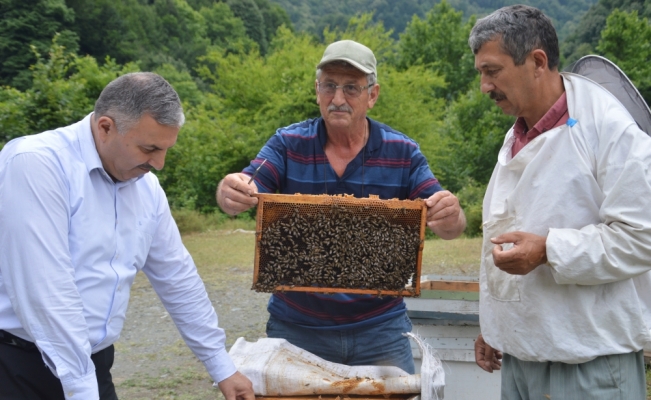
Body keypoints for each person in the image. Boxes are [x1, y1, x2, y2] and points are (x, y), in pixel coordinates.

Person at [216, 39, 466, 373]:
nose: (337, 99)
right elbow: (243, 188)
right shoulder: (288, 143)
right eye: (329, 86)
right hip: (297, 327)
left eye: (351, 88)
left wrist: (450, 213)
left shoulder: (403, 152)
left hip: (382, 328)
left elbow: (450, 224)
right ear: (317, 90)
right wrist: (229, 191)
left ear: (372, 95)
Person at [0, 72, 254, 400]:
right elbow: (47, 293)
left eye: (165, 149)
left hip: (92, 366)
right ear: (105, 127)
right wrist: (80, 389)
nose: (160, 164)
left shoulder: (146, 187)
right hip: (17, 367)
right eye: (150, 148)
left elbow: (177, 276)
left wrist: (222, 365)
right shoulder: (35, 164)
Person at [469, 5, 651, 399]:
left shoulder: (611, 130)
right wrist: (495, 324)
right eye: (481, 72)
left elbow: (641, 239)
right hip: (522, 358)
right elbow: (507, 227)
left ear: (537, 61)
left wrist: (549, 249)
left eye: (492, 70)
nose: (484, 86)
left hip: (591, 365)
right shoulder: (517, 134)